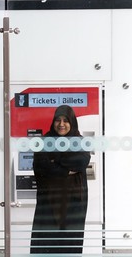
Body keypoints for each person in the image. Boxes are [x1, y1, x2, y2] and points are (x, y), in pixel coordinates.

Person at [30, 105, 91, 254]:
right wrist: (67, 169)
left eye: (66, 120)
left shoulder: (79, 141)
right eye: (58, 120)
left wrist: (55, 162)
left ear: (72, 122)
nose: (61, 124)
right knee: (45, 245)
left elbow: (82, 161)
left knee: (69, 245)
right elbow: (41, 166)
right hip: (49, 203)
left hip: (74, 204)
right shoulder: (44, 141)